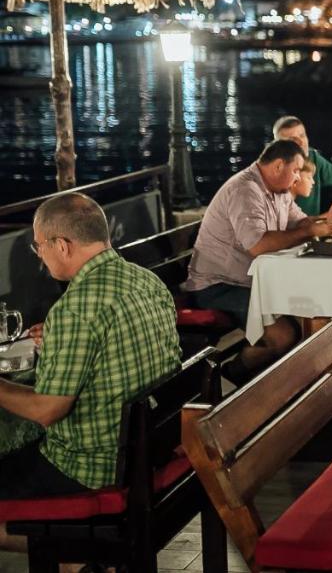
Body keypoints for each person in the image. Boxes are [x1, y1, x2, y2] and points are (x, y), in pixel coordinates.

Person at [0, 194, 179, 551]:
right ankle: (75, 561)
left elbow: (47, 411)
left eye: (39, 247)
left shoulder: (76, 308)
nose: (40, 257)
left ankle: (74, 550)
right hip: (150, 449)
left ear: (62, 245)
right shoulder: (146, 281)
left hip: (92, 468)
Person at [185, 139, 332, 372]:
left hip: (253, 281)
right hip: (217, 286)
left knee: (311, 313)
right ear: (278, 166)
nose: (296, 178)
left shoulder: (279, 190)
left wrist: (327, 222)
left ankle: (303, 384)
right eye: (295, 171)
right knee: (283, 336)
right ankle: (234, 377)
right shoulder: (245, 190)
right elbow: (258, 245)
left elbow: (301, 222)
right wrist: (310, 231)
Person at [273, 115, 332, 216]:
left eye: (302, 135)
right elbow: (294, 227)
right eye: (292, 140)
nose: (301, 143)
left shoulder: (312, 157)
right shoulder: (272, 176)